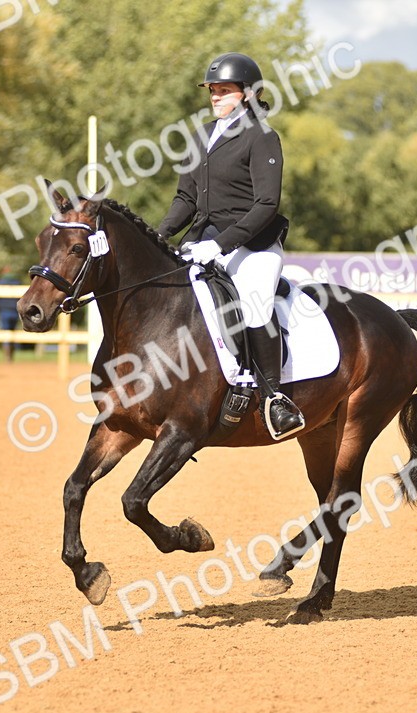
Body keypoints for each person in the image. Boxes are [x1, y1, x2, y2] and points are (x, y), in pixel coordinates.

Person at [156, 52, 305, 440]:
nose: (216, 97)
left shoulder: (262, 136)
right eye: (213, 91)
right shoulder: (201, 136)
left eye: (224, 91)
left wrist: (222, 244)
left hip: (253, 246)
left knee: (254, 306)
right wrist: (157, 237)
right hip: (201, 242)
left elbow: (266, 204)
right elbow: (186, 199)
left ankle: (274, 398)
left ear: (248, 94)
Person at [0, 265, 21, 363]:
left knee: (6, 334)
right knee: (13, 334)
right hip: (14, 311)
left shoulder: (0, 283)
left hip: (4, 311)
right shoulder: (17, 282)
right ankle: (11, 356)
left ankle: (7, 357)